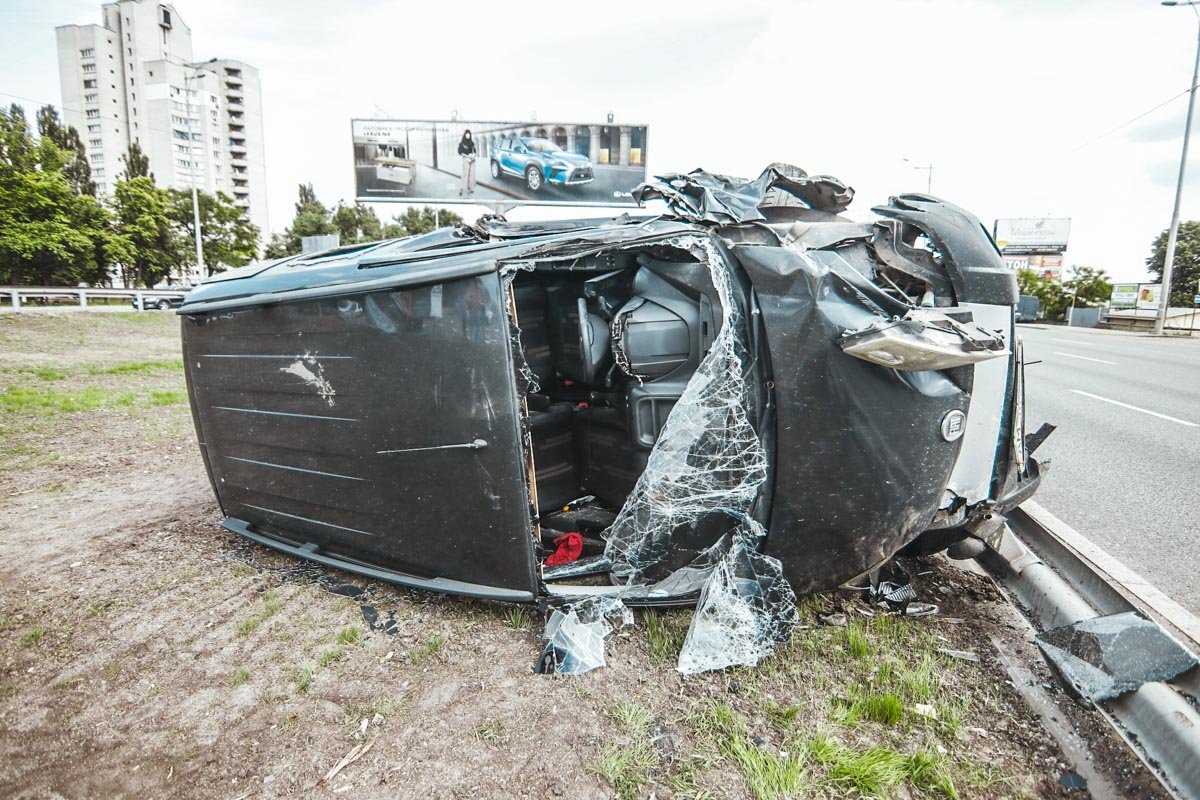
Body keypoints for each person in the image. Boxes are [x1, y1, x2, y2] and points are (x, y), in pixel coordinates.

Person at [458, 130, 477, 195]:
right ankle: (461, 189)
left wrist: (474, 155)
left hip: (472, 159)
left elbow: (475, 151)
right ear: (465, 135)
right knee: (465, 174)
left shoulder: (472, 143)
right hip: (465, 159)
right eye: (467, 134)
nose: (468, 135)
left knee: (472, 174)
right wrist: (467, 156)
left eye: (469, 134)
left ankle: (471, 188)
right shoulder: (461, 143)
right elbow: (460, 152)